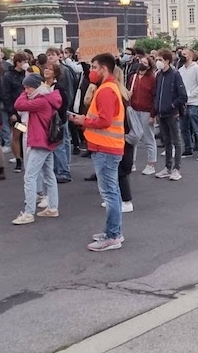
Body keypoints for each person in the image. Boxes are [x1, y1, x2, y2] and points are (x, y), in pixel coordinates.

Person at [69, 54, 125, 251]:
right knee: (113, 192)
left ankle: (112, 236)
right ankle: (114, 231)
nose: (90, 71)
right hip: (108, 147)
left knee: (109, 193)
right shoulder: (107, 88)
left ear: (103, 69)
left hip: (106, 148)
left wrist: (83, 121)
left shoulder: (106, 90)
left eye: (93, 67)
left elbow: (104, 121)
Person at [11, 73, 62, 225]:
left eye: (28, 87)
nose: (26, 90)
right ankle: (52, 207)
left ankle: (29, 212)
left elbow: (18, 105)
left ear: (36, 87)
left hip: (39, 142)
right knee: (49, 175)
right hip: (47, 142)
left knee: (30, 177)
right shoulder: (48, 97)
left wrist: (23, 93)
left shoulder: (40, 101)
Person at [153, 49, 187, 181]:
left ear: (167, 60)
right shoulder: (159, 75)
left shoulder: (175, 75)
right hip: (161, 113)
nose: (158, 62)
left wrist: (172, 105)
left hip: (171, 113)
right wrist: (157, 108)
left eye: (160, 60)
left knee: (176, 141)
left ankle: (176, 169)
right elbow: (156, 93)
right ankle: (167, 167)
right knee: (166, 141)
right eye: (157, 60)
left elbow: (183, 95)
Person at [45, 48, 74, 183]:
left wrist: (64, 112)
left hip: (60, 114)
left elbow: (67, 93)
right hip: (52, 116)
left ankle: (63, 170)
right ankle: (61, 168)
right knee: (59, 142)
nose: (50, 57)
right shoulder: (46, 83)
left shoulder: (64, 72)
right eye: (48, 55)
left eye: (52, 55)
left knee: (61, 142)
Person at [127, 55, 157, 175]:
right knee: (133, 136)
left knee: (148, 137)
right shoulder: (133, 77)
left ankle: (151, 163)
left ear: (149, 66)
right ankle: (131, 162)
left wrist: (153, 115)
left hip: (146, 110)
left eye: (144, 62)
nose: (141, 63)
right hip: (134, 109)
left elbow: (154, 97)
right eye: (141, 61)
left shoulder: (152, 79)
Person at [178, 48, 198, 161]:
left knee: (197, 127)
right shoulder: (180, 70)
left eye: (184, 54)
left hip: (194, 102)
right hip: (183, 103)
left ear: (190, 56)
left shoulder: (197, 69)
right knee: (184, 127)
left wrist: (191, 95)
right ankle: (188, 148)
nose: (182, 56)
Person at [113, 67, 135, 212]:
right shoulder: (123, 93)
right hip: (123, 136)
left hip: (122, 136)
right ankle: (119, 198)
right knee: (117, 170)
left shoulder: (118, 95)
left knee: (120, 170)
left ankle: (126, 200)